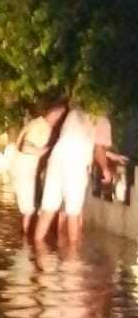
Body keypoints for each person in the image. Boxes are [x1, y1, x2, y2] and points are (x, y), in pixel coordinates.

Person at [34, 105, 113, 245]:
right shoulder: (102, 120)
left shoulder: (75, 111)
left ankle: (35, 253)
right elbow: (99, 149)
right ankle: (72, 260)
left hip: (56, 159)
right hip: (76, 163)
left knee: (47, 210)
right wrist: (106, 169)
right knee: (73, 213)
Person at [10, 100, 65, 237]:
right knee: (28, 211)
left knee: (29, 209)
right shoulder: (40, 127)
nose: (61, 121)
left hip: (23, 171)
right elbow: (26, 147)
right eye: (61, 116)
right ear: (54, 114)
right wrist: (47, 150)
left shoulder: (37, 124)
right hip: (24, 172)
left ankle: (25, 241)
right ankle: (25, 244)